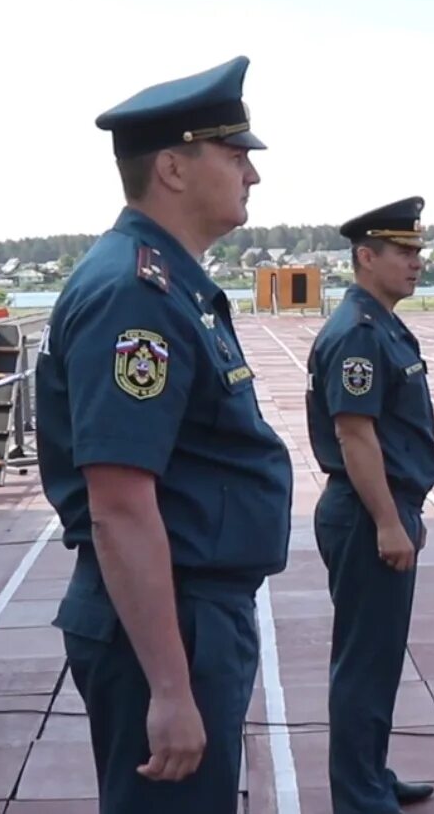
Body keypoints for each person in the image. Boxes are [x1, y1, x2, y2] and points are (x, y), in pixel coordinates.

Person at [37, 56, 294, 811]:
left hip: (186, 611)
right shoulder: (135, 294)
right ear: (175, 168)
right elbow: (118, 502)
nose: (252, 174)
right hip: (167, 619)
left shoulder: (166, 281)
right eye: (235, 152)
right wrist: (171, 686)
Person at [304, 196, 434, 812]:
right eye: (404, 252)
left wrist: (406, 513)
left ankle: (370, 775)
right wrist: (390, 521)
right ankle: (359, 796)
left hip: (384, 508)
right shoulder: (358, 334)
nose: (417, 262)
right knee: (364, 662)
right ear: (366, 256)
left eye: (418, 252)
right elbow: (354, 436)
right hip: (365, 515)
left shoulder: (380, 322)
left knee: (380, 658)